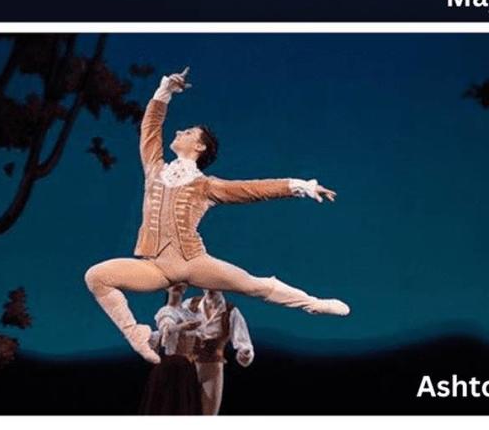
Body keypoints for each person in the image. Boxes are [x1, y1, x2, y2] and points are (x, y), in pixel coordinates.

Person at [84, 66, 349, 365]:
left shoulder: (206, 185)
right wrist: (164, 92)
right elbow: (149, 131)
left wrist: (300, 186)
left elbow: (253, 190)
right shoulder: (155, 169)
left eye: (187, 132)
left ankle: (313, 304)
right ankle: (137, 336)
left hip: (194, 261)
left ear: (199, 146)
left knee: (253, 285)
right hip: (155, 266)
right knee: (97, 276)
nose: (178, 132)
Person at [183, 289, 254, 415]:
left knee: (209, 414)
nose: (210, 288)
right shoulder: (190, 304)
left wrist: (245, 354)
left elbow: (244, 344)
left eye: (215, 284)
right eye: (207, 284)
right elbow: (172, 327)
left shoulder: (230, 312)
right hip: (188, 367)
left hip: (212, 369)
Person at [139, 283, 204, 414]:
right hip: (171, 367)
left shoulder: (188, 313)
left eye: (181, 284)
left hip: (187, 368)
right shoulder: (166, 311)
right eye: (174, 283)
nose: (178, 286)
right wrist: (181, 327)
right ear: (166, 287)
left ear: (186, 288)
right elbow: (166, 328)